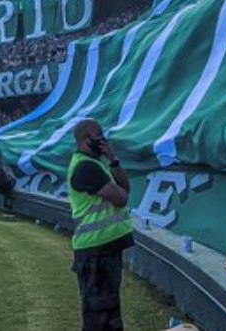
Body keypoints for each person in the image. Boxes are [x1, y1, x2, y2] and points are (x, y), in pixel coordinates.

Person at [68, 119, 133, 331]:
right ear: (85, 140)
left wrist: (113, 160)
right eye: (99, 137)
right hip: (96, 251)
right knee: (99, 317)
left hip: (104, 248)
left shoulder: (96, 163)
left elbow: (125, 188)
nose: (103, 141)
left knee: (109, 314)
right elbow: (121, 198)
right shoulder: (85, 167)